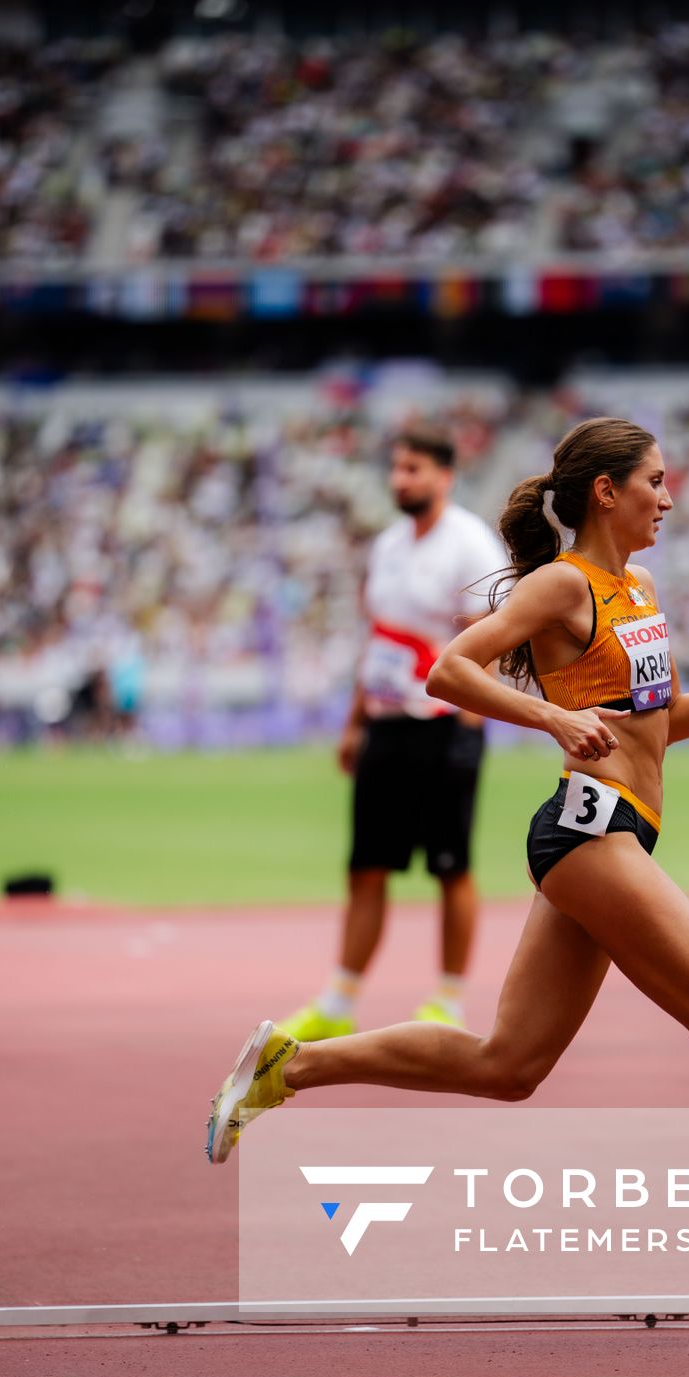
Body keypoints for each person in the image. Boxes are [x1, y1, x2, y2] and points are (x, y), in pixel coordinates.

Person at [209, 416, 689, 1306]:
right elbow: (447, 672)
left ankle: (288, 1066)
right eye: (655, 481)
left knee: (508, 1066)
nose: (668, 497)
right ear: (606, 491)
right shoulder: (561, 585)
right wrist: (550, 717)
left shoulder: (641, 585)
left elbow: (653, 727)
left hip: (611, 829)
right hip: (592, 834)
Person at [280, 426, 505, 1040]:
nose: (399, 479)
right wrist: (355, 722)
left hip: (443, 725)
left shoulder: (471, 545)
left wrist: (471, 722)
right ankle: (337, 1001)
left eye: (413, 470)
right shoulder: (388, 547)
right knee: (366, 865)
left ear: (444, 476)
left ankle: (449, 1000)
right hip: (387, 724)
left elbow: (493, 636)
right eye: (396, 469)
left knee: (450, 866)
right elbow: (379, 640)